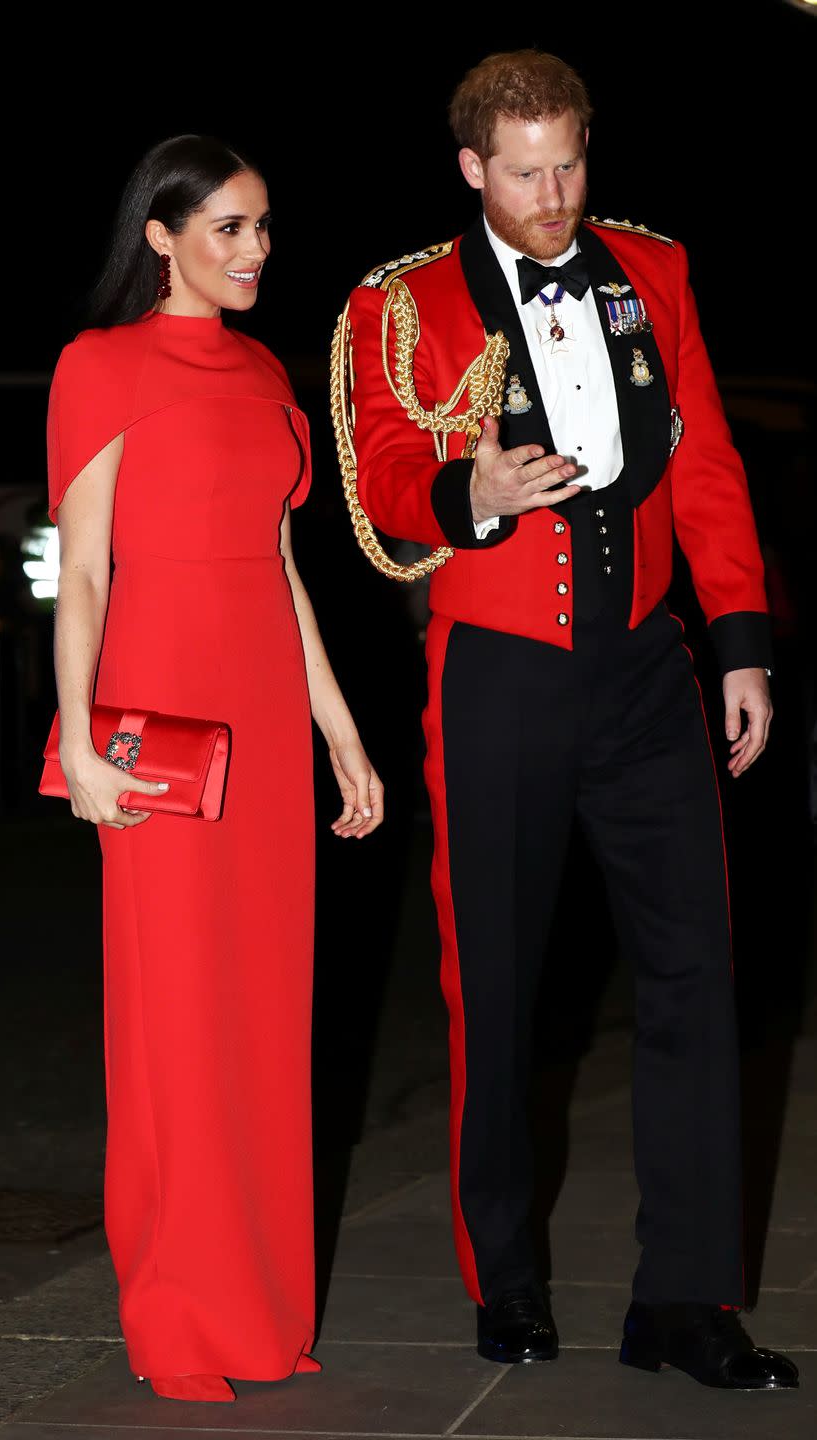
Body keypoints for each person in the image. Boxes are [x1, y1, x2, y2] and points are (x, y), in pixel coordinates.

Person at [336, 51, 798, 1391]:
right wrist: (462, 489)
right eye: (524, 173)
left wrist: (738, 649)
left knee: (693, 981)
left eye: (570, 165)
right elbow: (374, 468)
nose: (552, 198)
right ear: (470, 168)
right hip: (496, 676)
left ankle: (685, 1305)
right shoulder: (401, 300)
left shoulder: (649, 271)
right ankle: (509, 1285)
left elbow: (703, 461)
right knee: (497, 987)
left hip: (648, 674)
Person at [48, 135, 383, 1404]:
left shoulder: (264, 375)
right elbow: (82, 570)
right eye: (228, 229)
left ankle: (260, 1312)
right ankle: (180, 1315)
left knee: (260, 1025)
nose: (254, 250)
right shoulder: (101, 366)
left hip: (264, 723)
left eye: (260, 228)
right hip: (161, 721)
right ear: (162, 236)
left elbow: (282, 572)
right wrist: (78, 737)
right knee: (173, 1025)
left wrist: (340, 732)